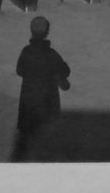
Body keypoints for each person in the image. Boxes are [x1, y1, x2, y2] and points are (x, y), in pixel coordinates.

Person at [14, 16, 71, 158]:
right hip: (48, 98)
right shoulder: (51, 54)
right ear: (47, 32)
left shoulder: (26, 51)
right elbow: (65, 71)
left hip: (29, 96)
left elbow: (19, 70)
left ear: (31, 31)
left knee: (28, 130)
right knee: (47, 130)